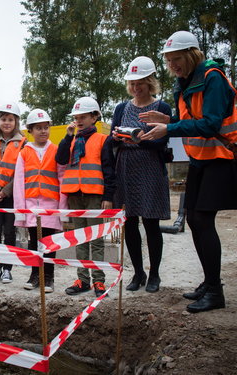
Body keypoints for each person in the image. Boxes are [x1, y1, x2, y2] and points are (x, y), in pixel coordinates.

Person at [140, 31, 237, 312]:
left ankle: (216, 292)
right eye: (169, 61)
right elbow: (189, 120)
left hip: (221, 157)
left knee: (203, 220)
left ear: (192, 54)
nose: (173, 66)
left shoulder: (212, 78)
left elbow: (210, 124)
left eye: (177, 59)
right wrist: (168, 119)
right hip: (200, 159)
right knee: (194, 220)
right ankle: (209, 283)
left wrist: (169, 128)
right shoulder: (185, 82)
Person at [111, 56, 172, 293]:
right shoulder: (121, 108)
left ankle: (155, 274)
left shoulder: (162, 108)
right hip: (126, 169)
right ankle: (138, 272)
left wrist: (144, 140)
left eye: (141, 84)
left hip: (150, 169)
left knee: (151, 223)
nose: (136, 88)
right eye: (133, 84)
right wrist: (115, 137)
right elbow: (112, 140)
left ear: (150, 83)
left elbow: (165, 142)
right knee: (130, 223)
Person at [56, 97, 115, 298]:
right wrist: (67, 137)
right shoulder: (71, 140)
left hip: (94, 196)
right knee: (80, 239)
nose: (79, 121)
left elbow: (109, 169)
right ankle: (83, 280)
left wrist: (108, 195)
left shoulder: (103, 140)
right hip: (75, 195)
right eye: (76, 117)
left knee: (97, 240)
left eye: (83, 117)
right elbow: (61, 159)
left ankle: (99, 281)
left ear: (94, 117)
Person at [13, 109, 67, 293]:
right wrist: (20, 211)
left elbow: (62, 179)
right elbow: (19, 183)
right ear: (30, 131)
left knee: (49, 242)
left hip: (50, 205)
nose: (43, 131)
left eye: (46, 127)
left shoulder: (56, 150)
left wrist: (63, 209)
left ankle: (49, 278)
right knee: (34, 242)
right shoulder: (24, 153)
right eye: (38, 128)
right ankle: (35, 275)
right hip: (30, 206)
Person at [0, 103, 26, 283]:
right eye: (3, 119)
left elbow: (21, 171)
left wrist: (6, 190)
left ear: (16, 121)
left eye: (10, 119)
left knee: (9, 232)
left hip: (11, 196)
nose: (6, 123)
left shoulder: (23, 143)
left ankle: (7, 268)